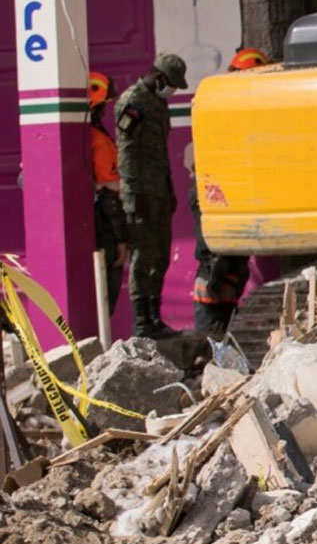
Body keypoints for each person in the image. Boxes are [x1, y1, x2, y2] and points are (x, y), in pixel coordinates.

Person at [187, 48, 268, 335]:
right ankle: (206, 350)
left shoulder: (233, 107)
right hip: (213, 195)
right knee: (214, 265)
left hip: (226, 198)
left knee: (229, 269)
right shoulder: (222, 106)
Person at [117, 53, 188, 339]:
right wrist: (135, 194)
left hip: (159, 189)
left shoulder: (159, 103)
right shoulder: (131, 102)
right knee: (142, 256)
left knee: (161, 254)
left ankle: (155, 317)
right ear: (158, 77)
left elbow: (160, 153)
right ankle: (142, 321)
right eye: (170, 83)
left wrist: (169, 188)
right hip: (140, 194)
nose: (171, 90)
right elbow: (126, 152)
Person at [87, 72, 129, 318]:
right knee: (104, 301)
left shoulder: (80, 137)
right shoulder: (99, 142)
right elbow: (110, 191)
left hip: (91, 228)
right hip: (105, 232)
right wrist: (122, 239)